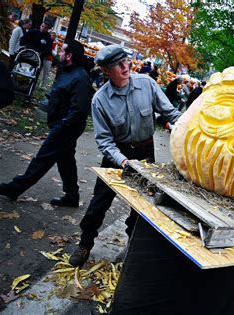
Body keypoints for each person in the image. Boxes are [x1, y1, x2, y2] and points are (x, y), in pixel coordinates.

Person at [69, 45, 182, 267]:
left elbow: (171, 113)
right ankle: (85, 244)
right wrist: (122, 161)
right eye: (117, 64)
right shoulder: (100, 100)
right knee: (99, 202)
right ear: (105, 70)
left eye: (126, 61)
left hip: (145, 152)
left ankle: (131, 247)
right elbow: (103, 141)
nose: (124, 67)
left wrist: (188, 128)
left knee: (142, 205)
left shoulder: (147, 83)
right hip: (116, 155)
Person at [0, 40, 93, 205]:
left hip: (65, 128)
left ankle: (15, 188)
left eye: (63, 51)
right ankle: (72, 196)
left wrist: (61, 126)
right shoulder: (67, 72)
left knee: (42, 159)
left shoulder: (81, 78)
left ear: (70, 56)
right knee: (66, 161)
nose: (59, 54)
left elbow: (78, 110)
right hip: (61, 125)